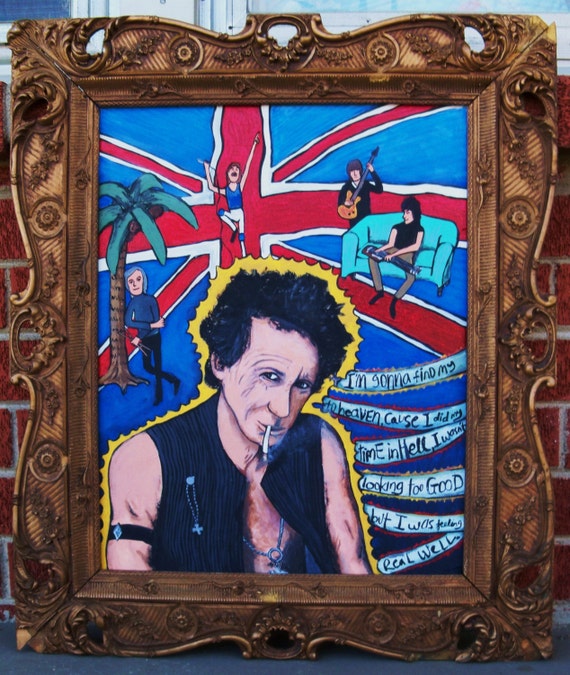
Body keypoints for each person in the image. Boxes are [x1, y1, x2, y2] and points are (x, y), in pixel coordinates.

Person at [107, 268, 371, 575]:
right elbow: (128, 590)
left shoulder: (319, 444)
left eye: (301, 385)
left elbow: (354, 570)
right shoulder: (145, 459)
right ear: (220, 363)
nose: (282, 408)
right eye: (269, 376)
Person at [124, 266, 180, 405]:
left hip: (154, 337)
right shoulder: (132, 303)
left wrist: (146, 329)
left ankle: (159, 396)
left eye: (138, 279)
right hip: (144, 338)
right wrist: (149, 327)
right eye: (131, 282)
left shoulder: (151, 300)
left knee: (158, 366)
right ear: (127, 285)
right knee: (148, 367)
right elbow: (128, 321)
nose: (135, 284)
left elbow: (156, 322)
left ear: (144, 280)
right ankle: (173, 379)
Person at [368, 196, 425, 318]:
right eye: (404, 212)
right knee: (372, 258)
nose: (404, 215)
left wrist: (393, 255)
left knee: (411, 278)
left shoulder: (419, 229)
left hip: (406, 253)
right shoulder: (397, 227)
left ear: (414, 212)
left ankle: (395, 299)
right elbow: (390, 244)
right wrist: (379, 250)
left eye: (407, 212)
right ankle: (379, 291)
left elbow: (415, 247)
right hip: (394, 249)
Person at [204, 134, 259, 258]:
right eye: (232, 169)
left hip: (240, 213)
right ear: (228, 174)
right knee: (221, 213)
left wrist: (254, 145)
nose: (234, 170)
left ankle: (244, 254)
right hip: (232, 214)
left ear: (239, 175)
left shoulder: (240, 186)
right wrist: (207, 169)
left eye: (237, 169)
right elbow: (211, 187)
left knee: (242, 236)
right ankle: (233, 226)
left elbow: (248, 166)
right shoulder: (226, 191)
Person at [337, 155, 383, 223]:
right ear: (349, 173)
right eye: (352, 171)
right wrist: (345, 202)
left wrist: (372, 172)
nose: (355, 173)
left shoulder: (366, 184)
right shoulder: (346, 187)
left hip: (366, 219)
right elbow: (340, 204)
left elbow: (379, 189)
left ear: (360, 171)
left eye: (356, 170)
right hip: (354, 221)